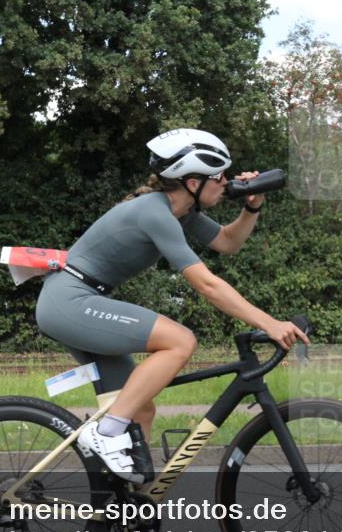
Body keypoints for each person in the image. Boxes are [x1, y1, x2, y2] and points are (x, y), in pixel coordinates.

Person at [35, 128, 309, 483]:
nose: (225, 183)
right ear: (192, 182)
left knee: (140, 408)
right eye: (219, 176)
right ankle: (103, 435)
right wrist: (270, 323)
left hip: (77, 300)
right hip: (69, 301)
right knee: (179, 340)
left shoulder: (181, 214)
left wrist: (251, 206)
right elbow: (208, 285)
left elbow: (227, 242)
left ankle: (127, 507)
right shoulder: (155, 213)